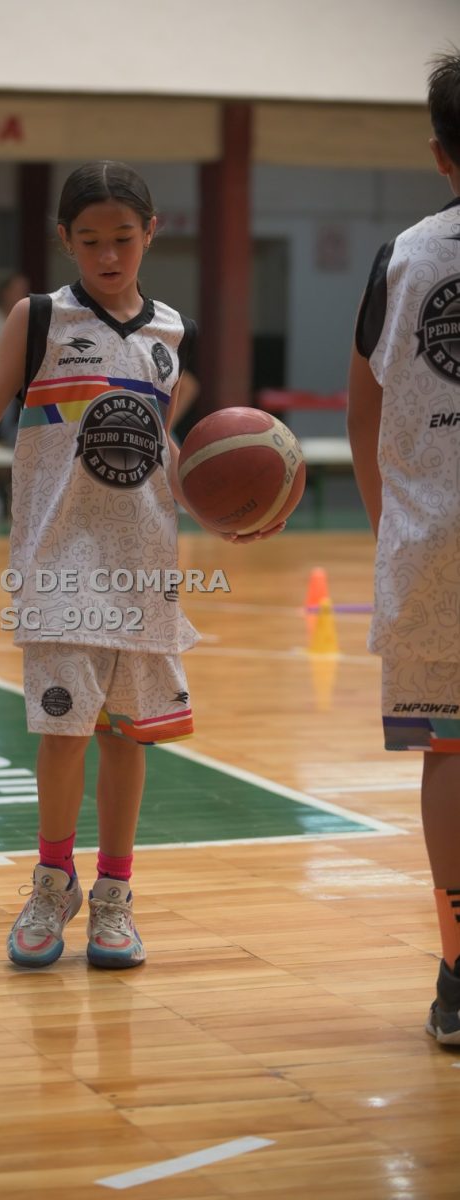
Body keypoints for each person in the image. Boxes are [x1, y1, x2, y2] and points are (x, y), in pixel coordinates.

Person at [0, 161, 284, 970]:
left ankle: (115, 895)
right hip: (57, 559)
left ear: (151, 232)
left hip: (145, 563)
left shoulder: (170, 333)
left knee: (126, 739)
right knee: (62, 733)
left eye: (123, 237)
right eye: (90, 241)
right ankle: (53, 884)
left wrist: (218, 511)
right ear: (65, 240)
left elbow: (160, 447)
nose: (108, 255)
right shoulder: (40, 318)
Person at [348, 51, 460, 1046]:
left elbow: (363, 414)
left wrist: (397, 530)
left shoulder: (402, 256)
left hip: (432, 548)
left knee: (451, 752)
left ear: (439, 154)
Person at [0, 271, 30, 446]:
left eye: (23, 290)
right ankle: (3, 438)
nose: (21, 294)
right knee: (4, 397)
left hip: (27, 376)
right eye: (16, 290)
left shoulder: (31, 316)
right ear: (3, 292)